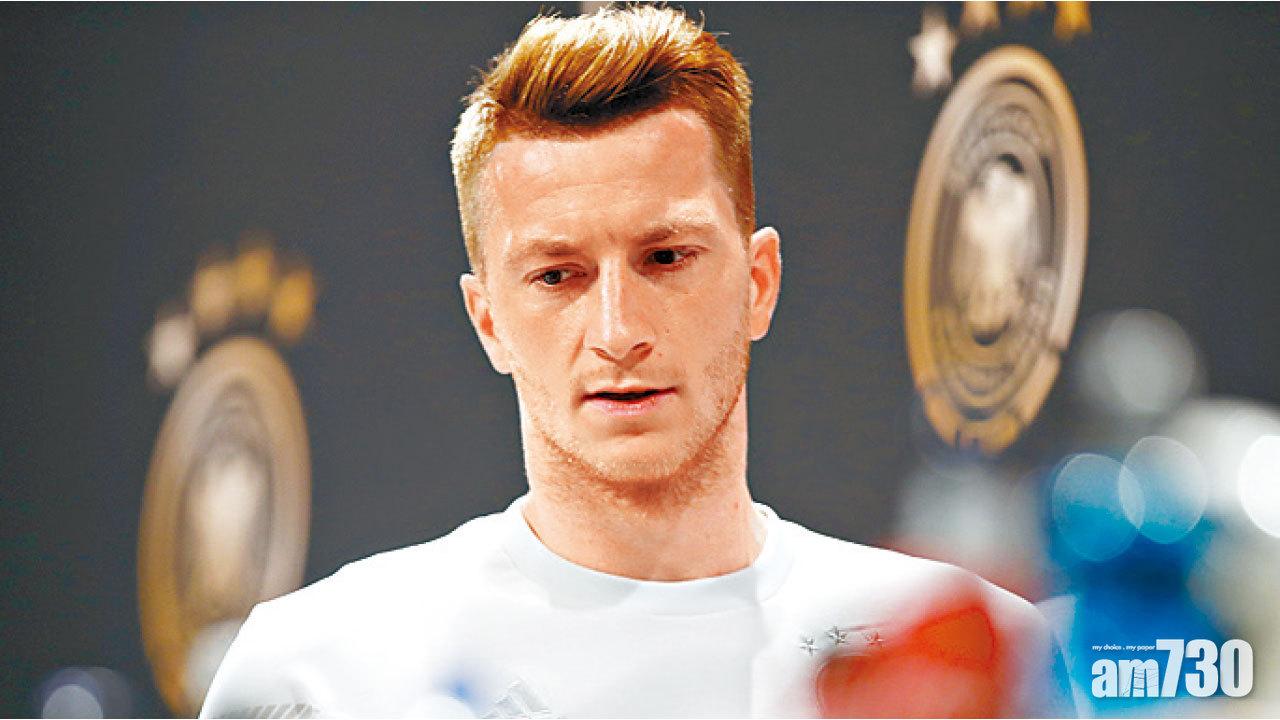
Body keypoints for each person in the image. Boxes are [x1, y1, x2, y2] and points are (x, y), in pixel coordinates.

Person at [200, 6, 1074, 718]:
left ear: (759, 283)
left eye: (666, 258)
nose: (618, 331)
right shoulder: (315, 672)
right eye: (557, 275)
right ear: (488, 321)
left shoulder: (978, 663)